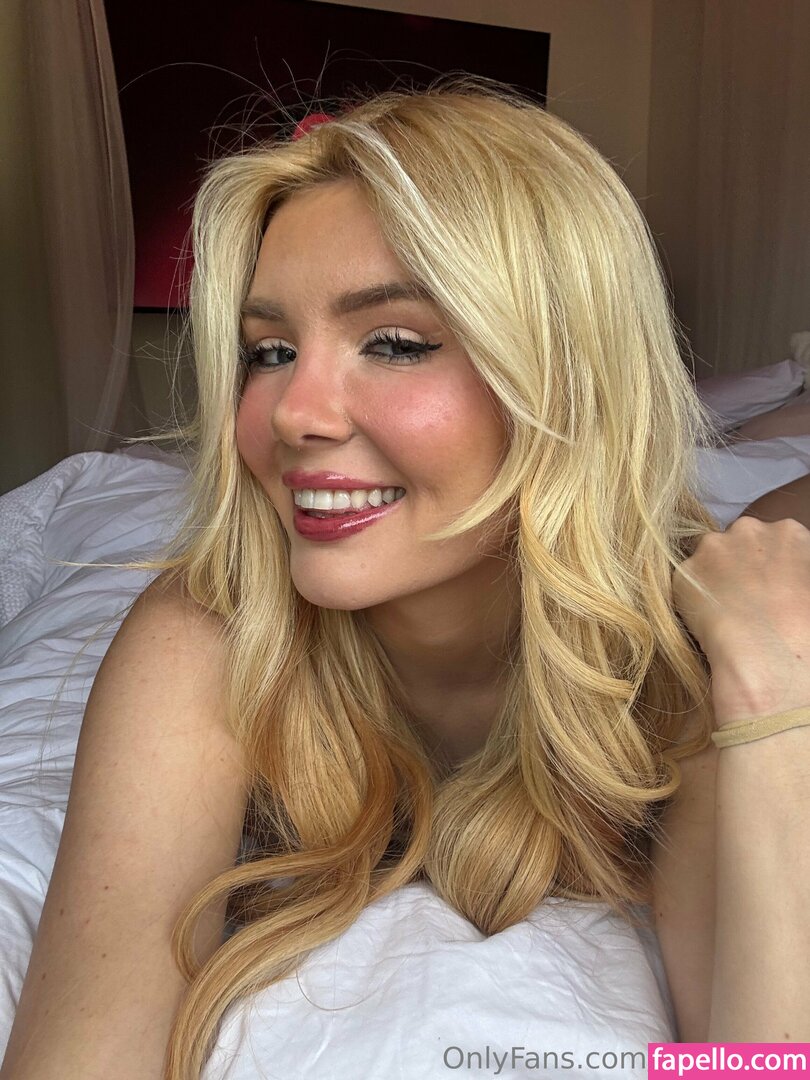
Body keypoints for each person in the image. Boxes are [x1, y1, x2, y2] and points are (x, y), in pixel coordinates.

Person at [3, 75, 806, 1080]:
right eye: (268, 351)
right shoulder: (205, 638)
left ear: (565, 380)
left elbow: (759, 1061)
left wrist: (777, 702)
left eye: (394, 342)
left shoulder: (680, 663)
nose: (294, 414)